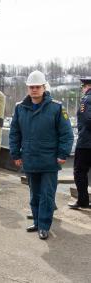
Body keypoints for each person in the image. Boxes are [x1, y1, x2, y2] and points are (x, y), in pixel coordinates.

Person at [9, 70, 73, 240]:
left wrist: (63, 154)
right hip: (30, 158)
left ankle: (44, 225)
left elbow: (66, 134)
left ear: (44, 87)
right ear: (28, 89)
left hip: (50, 160)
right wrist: (16, 154)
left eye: (37, 87)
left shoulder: (57, 108)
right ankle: (37, 222)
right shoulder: (20, 108)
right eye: (31, 87)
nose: (34, 90)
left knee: (47, 194)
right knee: (34, 194)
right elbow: (14, 133)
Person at [68, 77, 91, 209]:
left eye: (83, 87)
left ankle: (83, 201)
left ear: (87, 86)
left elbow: (88, 120)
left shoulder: (86, 100)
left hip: (86, 144)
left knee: (79, 172)